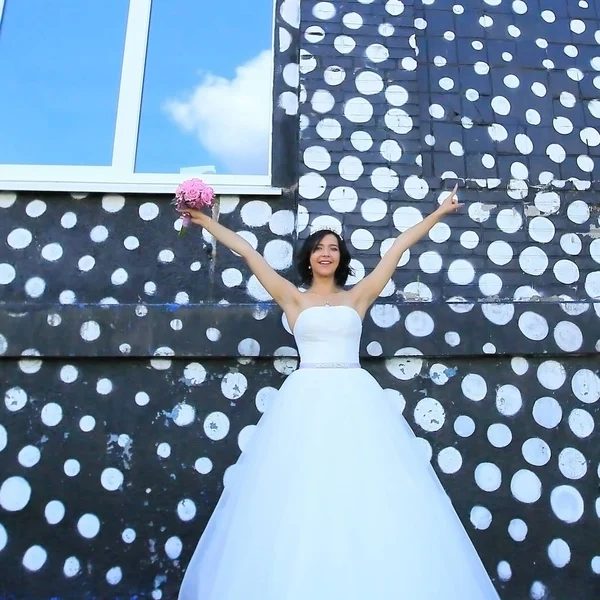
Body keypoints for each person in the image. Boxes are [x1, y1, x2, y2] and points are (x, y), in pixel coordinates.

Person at [177, 185, 500, 600]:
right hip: (305, 402)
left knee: (365, 490)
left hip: (356, 401)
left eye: (333, 248)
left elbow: (398, 247)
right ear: (309, 258)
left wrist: (438, 213)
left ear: (341, 258)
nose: (326, 253)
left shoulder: (358, 297)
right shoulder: (292, 298)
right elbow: (249, 252)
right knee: (303, 494)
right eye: (318, 248)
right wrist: (206, 221)